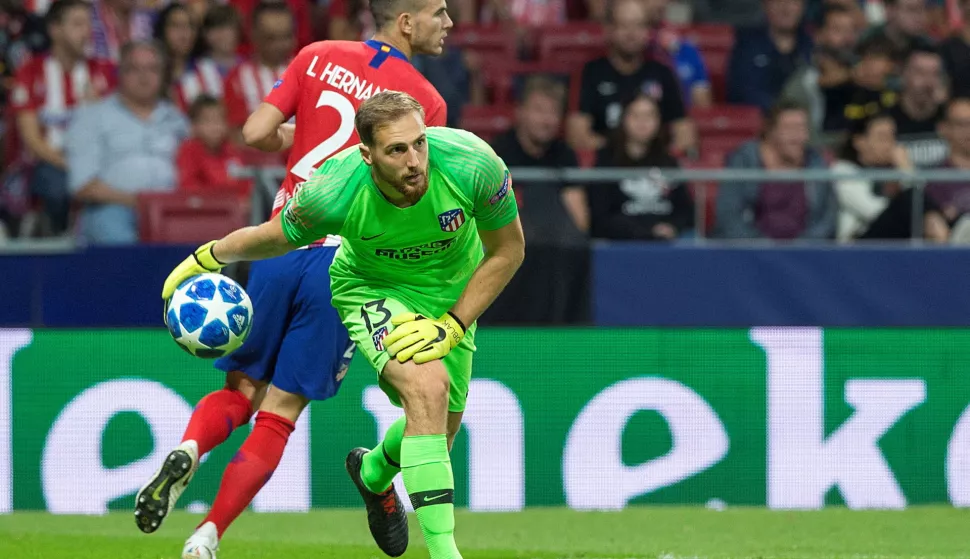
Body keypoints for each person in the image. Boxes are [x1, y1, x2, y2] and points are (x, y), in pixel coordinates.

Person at [134, 0, 450, 557]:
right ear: (406, 22)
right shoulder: (424, 102)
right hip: (343, 266)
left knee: (239, 391)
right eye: (439, 13)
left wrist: (299, 138)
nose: (447, 24)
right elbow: (414, 193)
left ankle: (190, 447)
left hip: (280, 243)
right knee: (279, 414)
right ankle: (207, 535)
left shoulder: (317, 54)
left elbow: (256, 132)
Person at [160, 90, 524, 559]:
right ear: (367, 154)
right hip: (372, 288)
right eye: (397, 150)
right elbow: (274, 238)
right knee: (427, 388)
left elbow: (508, 250)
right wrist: (207, 256)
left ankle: (373, 473)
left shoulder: (473, 163)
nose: (414, 161)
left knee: (440, 431)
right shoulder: (333, 190)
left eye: (419, 143)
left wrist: (453, 325)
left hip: (451, 295)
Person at [65, 40, 188, 245]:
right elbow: (83, 184)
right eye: (134, 69)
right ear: (120, 73)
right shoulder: (92, 117)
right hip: (113, 208)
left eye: (152, 69)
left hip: (172, 210)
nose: (144, 77)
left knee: (205, 239)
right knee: (117, 236)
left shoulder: (176, 118)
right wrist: (140, 202)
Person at [10, 0, 115, 235]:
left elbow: (115, 130)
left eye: (88, 24)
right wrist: (74, 165)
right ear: (54, 29)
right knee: (57, 184)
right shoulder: (30, 71)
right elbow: (32, 141)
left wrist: (98, 110)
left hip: (97, 162)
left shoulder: (103, 71)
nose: (86, 32)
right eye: (77, 24)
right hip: (47, 164)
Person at [589, 93, 694, 240]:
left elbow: (686, 211)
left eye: (649, 116)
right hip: (622, 243)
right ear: (623, 119)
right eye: (635, 115)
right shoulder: (606, 160)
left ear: (659, 121)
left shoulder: (669, 162)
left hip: (666, 242)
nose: (642, 122)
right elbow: (600, 217)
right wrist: (645, 232)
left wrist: (673, 226)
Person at [176, 95, 250, 193]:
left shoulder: (232, 151)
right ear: (194, 126)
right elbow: (189, 187)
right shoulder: (188, 151)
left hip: (232, 201)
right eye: (207, 121)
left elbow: (245, 185)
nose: (215, 127)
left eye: (219, 120)